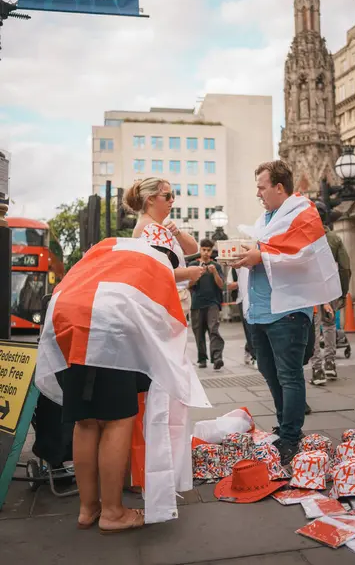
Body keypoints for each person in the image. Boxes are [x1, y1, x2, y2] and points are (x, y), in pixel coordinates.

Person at [35, 227, 209, 532]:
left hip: (65, 322)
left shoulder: (107, 249)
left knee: (85, 420)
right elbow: (164, 322)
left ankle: (88, 508)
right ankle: (113, 512)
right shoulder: (155, 261)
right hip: (106, 327)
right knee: (117, 420)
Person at [233, 161, 341, 465]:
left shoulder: (302, 213)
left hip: (287, 312)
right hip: (259, 313)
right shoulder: (265, 219)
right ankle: (285, 427)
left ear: (280, 187)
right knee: (270, 374)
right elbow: (271, 251)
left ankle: (292, 437)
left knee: (289, 376)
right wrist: (246, 255)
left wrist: (259, 254)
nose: (258, 193)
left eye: (262, 186)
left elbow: (302, 254)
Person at [129, 176, 201, 315]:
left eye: (172, 195)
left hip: (165, 301)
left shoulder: (153, 226)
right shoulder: (151, 228)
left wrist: (177, 233)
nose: (172, 200)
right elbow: (158, 273)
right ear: (150, 199)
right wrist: (189, 273)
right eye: (167, 196)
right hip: (166, 303)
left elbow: (192, 248)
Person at [310, 201, 351, 385]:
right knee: (329, 326)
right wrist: (342, 292)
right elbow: (345, 268)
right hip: (330, 288)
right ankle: (330, 364)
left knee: (313, 328)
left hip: (309, 289)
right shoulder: (334, 239)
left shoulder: (306, 239)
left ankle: (317, 369)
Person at [190, 238, 225, 370]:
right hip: (197, 303)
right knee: (198, 333)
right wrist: (198, 273)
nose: (205, 253)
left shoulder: (216, 266)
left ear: (211, 251)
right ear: (200, 250)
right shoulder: (193, 264)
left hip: (213, 303)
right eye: (203, 250)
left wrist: (214, 273)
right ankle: (202, 359)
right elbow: (188, 284)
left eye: (208, 250)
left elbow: (221, 285)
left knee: (214, 329)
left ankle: (217, 358)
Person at [228, 267, 257, 368]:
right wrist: (240, 282)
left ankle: (251, 351)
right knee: (249, 329)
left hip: (256, 299)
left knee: (255, 329)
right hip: (242, 301)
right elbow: (229, 285)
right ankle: (254, 356)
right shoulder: (234, 268)